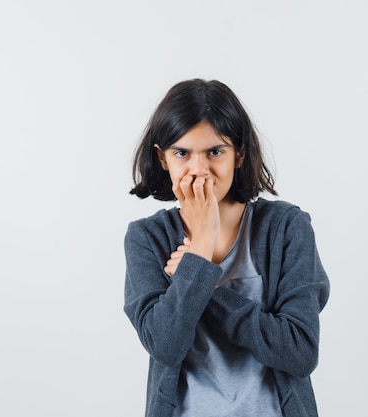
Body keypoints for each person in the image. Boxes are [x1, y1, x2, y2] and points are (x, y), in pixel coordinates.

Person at [123, 79, 330, 417]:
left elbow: (300, 352)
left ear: (240, 154)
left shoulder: (286, 227)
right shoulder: (147, 238)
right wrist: (203, 242)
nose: (199, 169)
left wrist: (207, 285)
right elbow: (165, 345)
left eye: (215, 152)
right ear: (162, 158)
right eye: (182, 153)